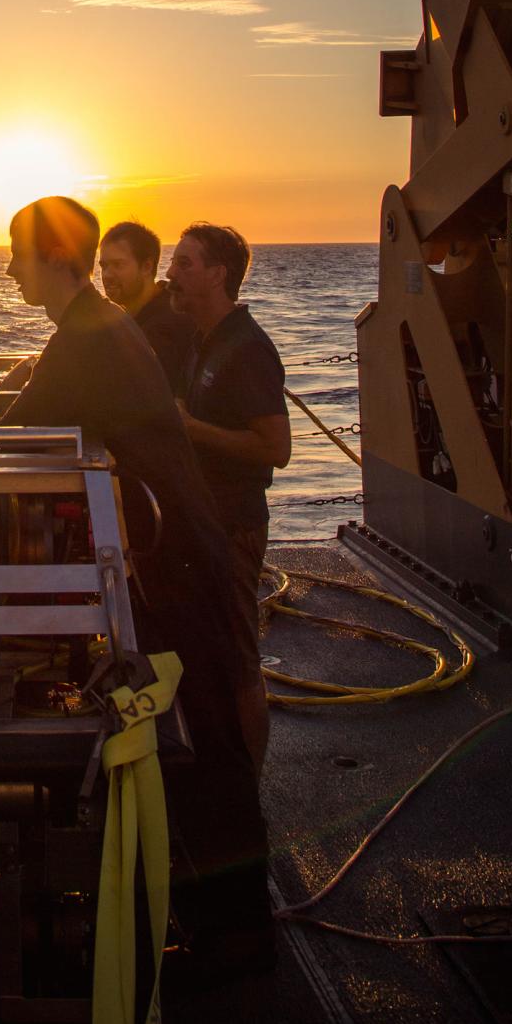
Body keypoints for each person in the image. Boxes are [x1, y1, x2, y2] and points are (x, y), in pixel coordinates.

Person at [1, 196, 273, 984]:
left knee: (206, 754)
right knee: (203, 748)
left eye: (17, 253)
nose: (11, 267)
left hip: (180, 563)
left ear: (53, 259)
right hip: (181, 551)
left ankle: (238, 948)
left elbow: (18, 442)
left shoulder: (85, 336)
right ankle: (223, 931)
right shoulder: (93, 325)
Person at [166, 221, 290, 771]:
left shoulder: (247, 349)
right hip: (204, 522)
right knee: (207, 651)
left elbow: (276, 447)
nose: (171, 271)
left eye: (185, 263)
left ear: (218, 275)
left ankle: (249, 788)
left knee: (239, 657)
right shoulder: (203, 341)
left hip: (235, 525)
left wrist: (193, 430)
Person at [98, 218, 196, 392]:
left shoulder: (166, 328)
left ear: (147, 266)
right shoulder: (130, 319)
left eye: (117, 265)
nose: (107, 275)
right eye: (103, 266)